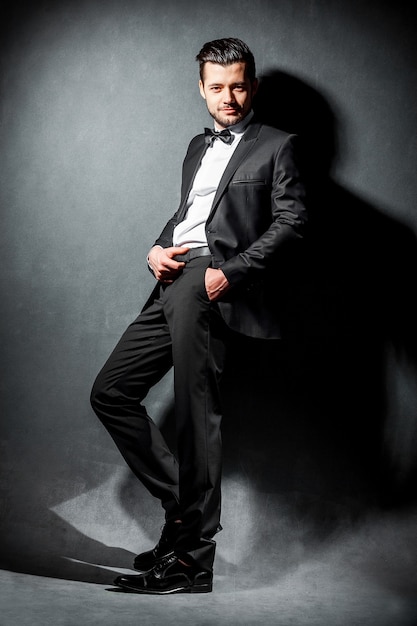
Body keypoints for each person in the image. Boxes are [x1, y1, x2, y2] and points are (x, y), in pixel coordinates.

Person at [90, 37, 307, 594]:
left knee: (194, 419)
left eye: (238, 86)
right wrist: (155, 248)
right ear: (202, 91)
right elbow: (191, 213)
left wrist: (229, 272)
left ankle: (191, 563)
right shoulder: (195, 146)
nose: (228, 98)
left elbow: (292, 222)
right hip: (172, 276)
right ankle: (182, 518)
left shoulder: (278, 145)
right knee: (112, 392)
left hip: (210, 283)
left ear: (252, 86)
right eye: (217, 88)